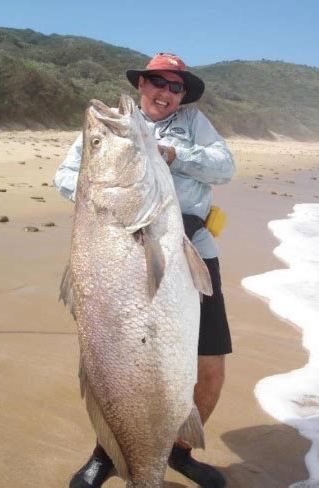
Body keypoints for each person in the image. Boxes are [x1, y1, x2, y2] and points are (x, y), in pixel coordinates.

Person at [54, 52, 235, 488]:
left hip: (193, 252)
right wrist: (106, 175)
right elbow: (65, 176)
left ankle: (178, 449)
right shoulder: (120, 128)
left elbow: (224, 167)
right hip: (120, 251)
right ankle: (111, 452)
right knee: (113, 362)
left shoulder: (192, 124)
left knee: (208, 366)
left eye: (176, 87)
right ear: (142, 84)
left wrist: (171, 152)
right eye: (159, 82)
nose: (167, 93)